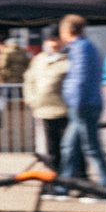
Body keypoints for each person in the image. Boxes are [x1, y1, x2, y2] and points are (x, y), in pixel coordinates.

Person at [58, 13, 106, 188]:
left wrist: (75, 100)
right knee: (69, 146)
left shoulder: (81, 48)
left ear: (67, 30)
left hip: (83, 104)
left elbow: (80, 78)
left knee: (91, 147)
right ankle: (63, 186)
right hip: (83, 102)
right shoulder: (81, 47)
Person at [23, 33, 70, 180]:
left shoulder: (68, 59)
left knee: (67, 145)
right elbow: (29, 80)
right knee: (51, 145)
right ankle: (54, 175)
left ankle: (67, 175)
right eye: (50, 42)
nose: (53, 45)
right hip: (44, 108)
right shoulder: (39, 59)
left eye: (56, 42)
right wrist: (31, 99)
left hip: (64, 108)